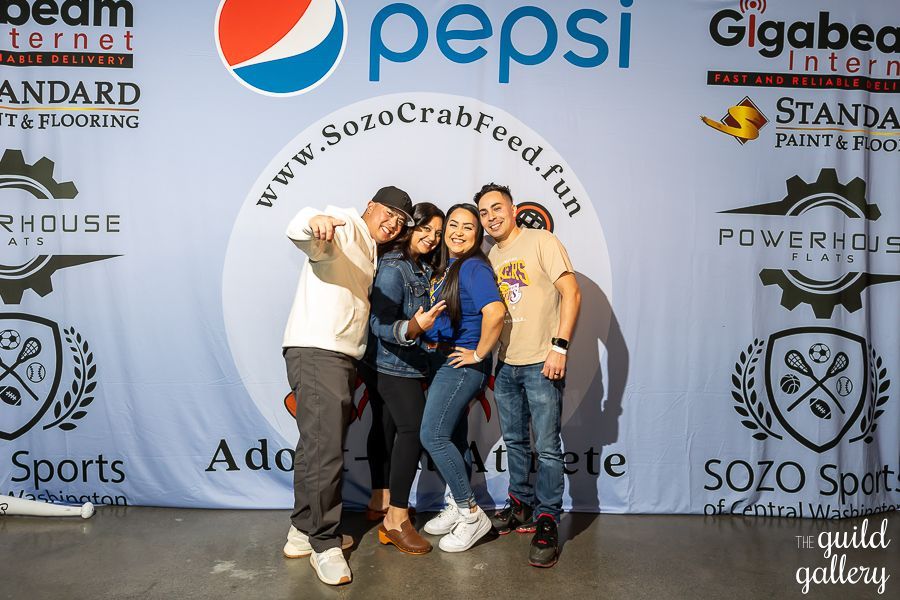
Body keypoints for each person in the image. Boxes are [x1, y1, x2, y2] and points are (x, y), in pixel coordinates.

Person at [281, 186, 414, 586]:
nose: (391, 224)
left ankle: (302, 531)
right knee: (325, 451)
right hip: (320, 350)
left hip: (331, 352)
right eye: (387, 213)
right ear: (369, 207)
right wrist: (313, 222)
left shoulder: (372, 247)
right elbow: (306, 229)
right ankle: (325, 544)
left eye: (399, 222)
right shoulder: (347, 226)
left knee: (314, 447)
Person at [476, 183, 581, 568]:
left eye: (497, 208)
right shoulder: (490, 255)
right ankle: (520, 503)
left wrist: (560, 346)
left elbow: (572, 292)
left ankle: (548, 516)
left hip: (542, 360)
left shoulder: (541, 240)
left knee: (548, 445)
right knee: (516, 441)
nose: (491, 217)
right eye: (484, 213)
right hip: (505, 365)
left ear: (514, 209)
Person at [358, 202, 447, 555]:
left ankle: (379, 501)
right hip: (392, 365)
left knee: (387, 427)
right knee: (412, 431)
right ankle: (395, 519)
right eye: (425, 229)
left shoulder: (419, 267)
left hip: (394, 360)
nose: (431, 238)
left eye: (437, 234)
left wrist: (425, 335)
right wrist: (414, 328)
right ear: (412, 228)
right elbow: (380, 323)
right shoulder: (396, 268)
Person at [419, 203, 506, 553]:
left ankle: (472, 514)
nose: (457, 232)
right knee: (452, 437)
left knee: (433, 434)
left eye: (467, 227)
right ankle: (457, 504)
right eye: (452, 225)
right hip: (447, 360)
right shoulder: (451, 268)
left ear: (478, 235)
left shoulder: (472, 267)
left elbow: (495, 312)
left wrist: (479, 353)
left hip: (463, 365)